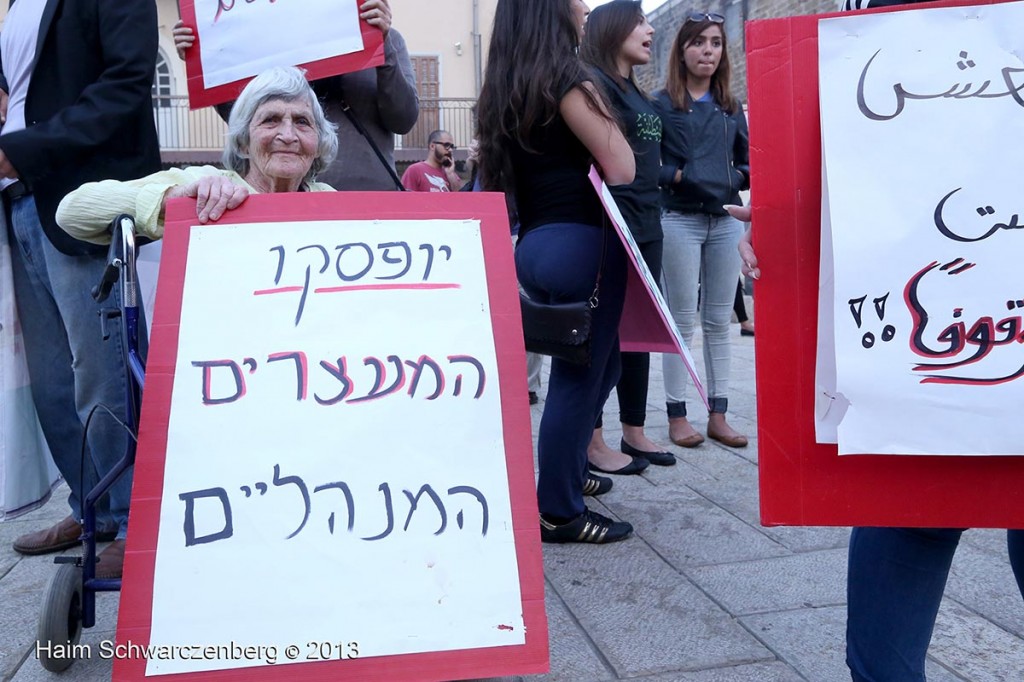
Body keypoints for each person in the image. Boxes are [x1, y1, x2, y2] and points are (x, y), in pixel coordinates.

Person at [3, 0, 162, 578]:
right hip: (19, 200)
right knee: (49, 379)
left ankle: (134, 518)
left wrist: (20, 150)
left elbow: (125, 83)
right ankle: (90, 507)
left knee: (102, 370)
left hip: (82, 199)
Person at [477, 0, 636, 544]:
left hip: (538, 244)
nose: (585, 6)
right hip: (584, 245)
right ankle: (560, 512)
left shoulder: (504, 87)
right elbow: (622, 166)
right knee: (580, 377)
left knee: (604, 362)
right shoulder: (568, 78)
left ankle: (568, 468)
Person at [58, 67, 337, 245]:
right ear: (242, 143)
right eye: (270, 120)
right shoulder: (206, 183)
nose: (288, 135)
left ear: (318, 143)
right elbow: (71, 212)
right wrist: (176, 201)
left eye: (302, 122)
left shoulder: (332, 202)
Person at [173, 0, 417, 191]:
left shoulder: (389, 39)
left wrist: (382, 47)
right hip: (288, 200)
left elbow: (403, 119)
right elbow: (241, 120)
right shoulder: (265, 43)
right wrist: (208, 62)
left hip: (371, 199)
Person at [580, 0, 672, 474]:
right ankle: (592, 439)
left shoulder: (636, 91)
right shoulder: (593, 85)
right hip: (613, 226)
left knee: (639, 331)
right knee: (604, 334)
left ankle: (634, 430)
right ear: (613, 29)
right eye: (639, 21)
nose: (649, 28)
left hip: (649, 224)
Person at [654, 12, 749, 450]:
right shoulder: (661, 104)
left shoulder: (731, 107)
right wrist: (678, 177)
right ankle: (677, 413)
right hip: (680, 219)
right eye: (698, 42)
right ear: (682, 49)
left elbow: (750, 163)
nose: (707, 50)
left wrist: (731, 176)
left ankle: (719, 413)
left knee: (717, 321)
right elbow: (648, 163)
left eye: (715, 42)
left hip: (726, 219)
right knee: (680, 320)